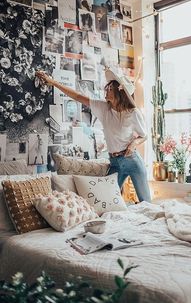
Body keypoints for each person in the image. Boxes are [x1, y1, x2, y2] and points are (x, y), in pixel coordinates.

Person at [36, 68, 151, 203]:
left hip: (132, 160)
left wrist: (133, 144)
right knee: (107, 201)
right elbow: (78, 96)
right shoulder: (103, 108)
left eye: (109, 89)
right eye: (107, 88)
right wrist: (53, 83)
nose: (106, 90)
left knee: (146, 202)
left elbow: (144, 135)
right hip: (114, 162)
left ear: (119, 93)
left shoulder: (132, 113)